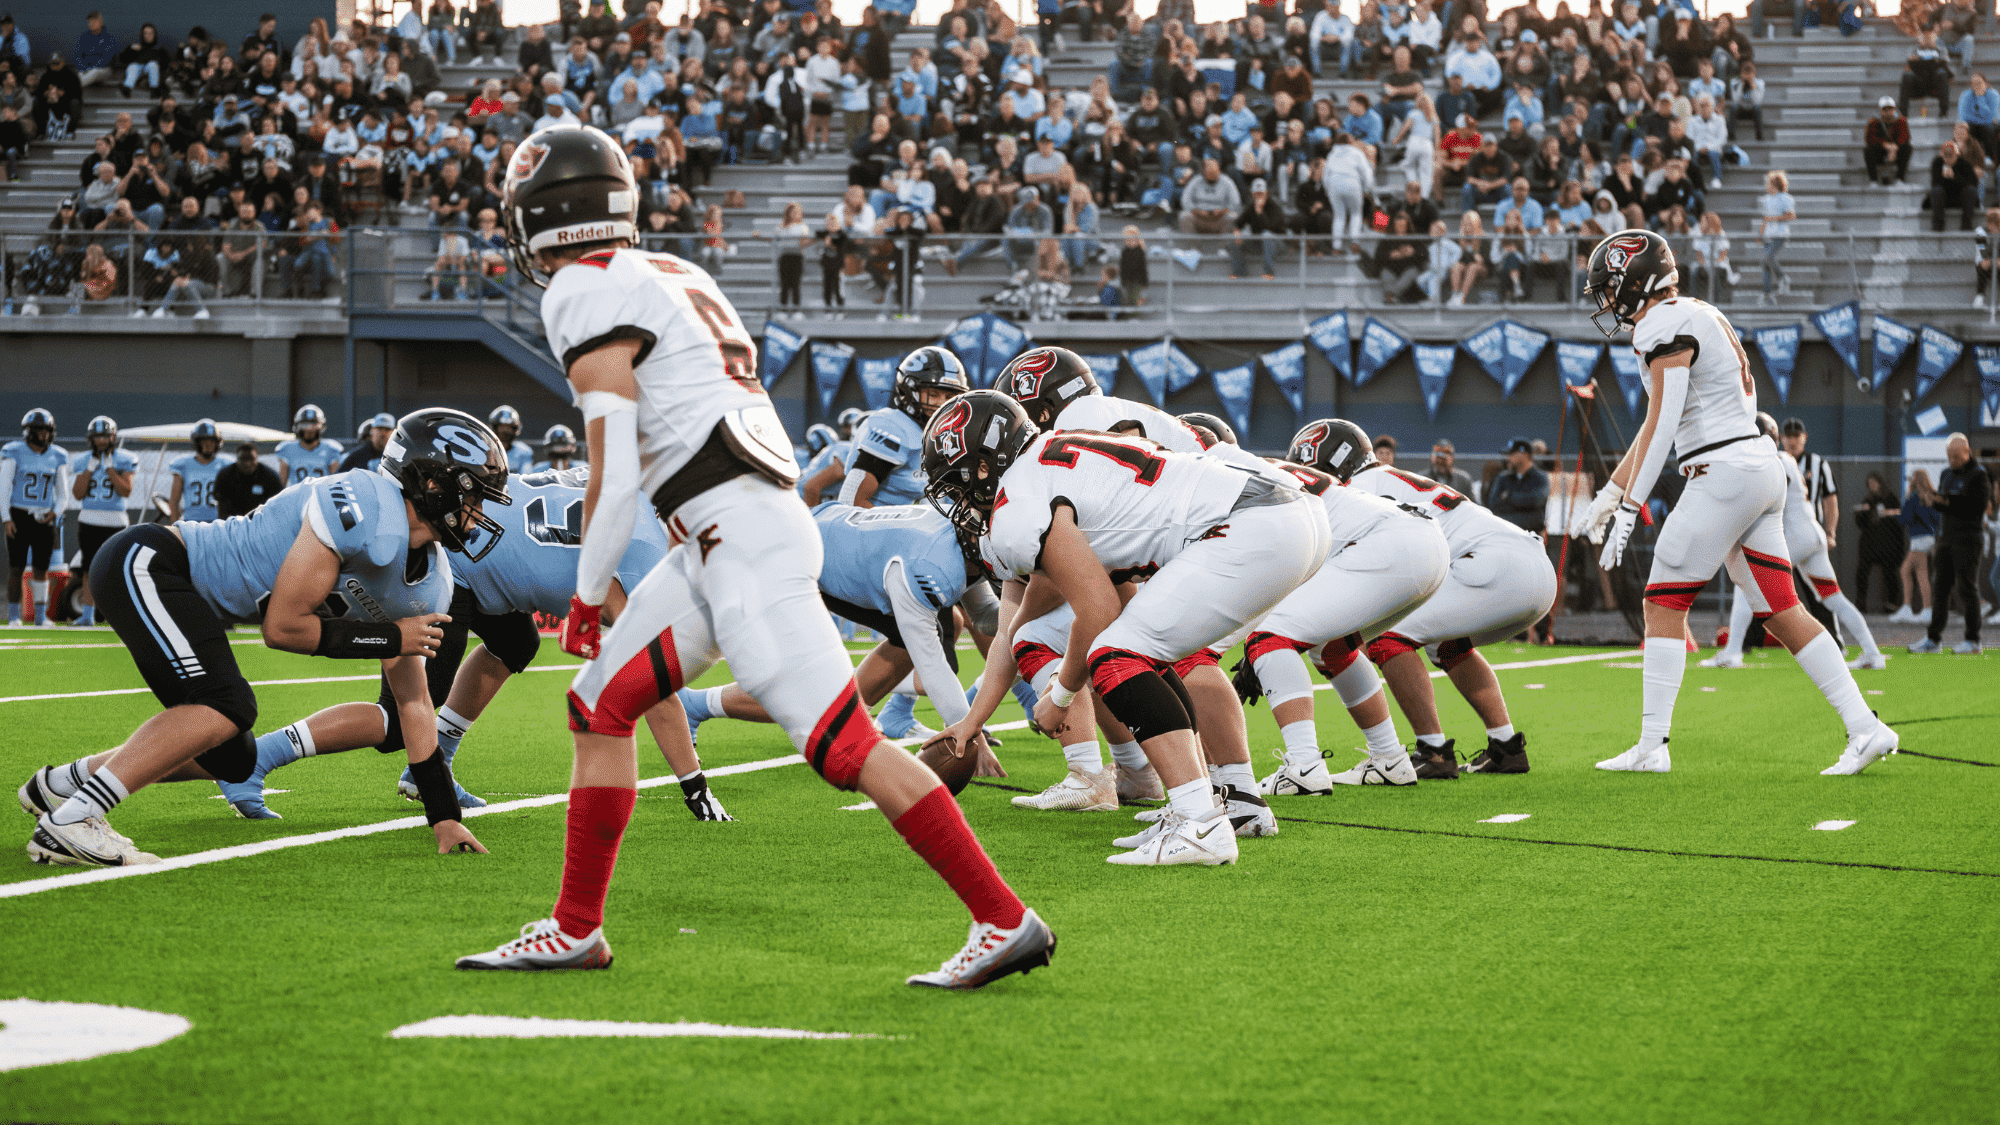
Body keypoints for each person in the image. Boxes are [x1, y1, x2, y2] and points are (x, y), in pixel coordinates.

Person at [465, 126, 1050, 989]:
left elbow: (615, 465)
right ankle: (576, 927)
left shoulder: (581, 289)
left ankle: (1003, 917)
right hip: (727, 531)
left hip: (740, 542)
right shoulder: (678, 274)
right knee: (598, 706)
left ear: (544, 216)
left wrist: (588, 593)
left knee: (845, 749)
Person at [17, 409, 508, 867]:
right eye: (474, 494)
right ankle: (74, 819)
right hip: (153, 563)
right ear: (432, 484)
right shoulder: (363, 505)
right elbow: (283, 627)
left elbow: (415, 705)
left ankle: (58, 785)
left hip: (190, 597)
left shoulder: (432, 583)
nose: (480, 510)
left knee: (234, 756)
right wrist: (388, 637)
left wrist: (444, 817)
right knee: (227, 704)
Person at [925, 390, 1329, 865]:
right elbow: (1076, 610)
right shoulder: (1052, 462)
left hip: (1250, 524)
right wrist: (973, 723)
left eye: (955, 482)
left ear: (985, 465)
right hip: (1286, 513)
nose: (956, 497)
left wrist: (1058, 696)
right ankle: (1211, 806)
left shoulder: (1018, 505)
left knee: (1115, 656)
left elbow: (1096, 613)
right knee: (1140, 648)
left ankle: (1200, 823)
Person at [216, 467, 730, 823]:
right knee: (401, 715)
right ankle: (258, 759)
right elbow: (653, 682)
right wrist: (694, 783)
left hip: (486, 558)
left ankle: (435, 762)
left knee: (517, 642)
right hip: (453, 561)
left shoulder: (632, 497)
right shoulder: (645, 546)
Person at [1574, 229, 1896, 777]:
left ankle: (1652, 745)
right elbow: (1657, 425)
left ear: (1637, 280)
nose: (1608, 300)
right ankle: (1867, 727)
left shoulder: (1662, 324)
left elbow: (1663, 421)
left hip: (1721, 474)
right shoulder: (1696, 311)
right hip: (1757, 470)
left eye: (1611, 287)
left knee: (1661, 602)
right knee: (1783, 609)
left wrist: (1631, 506)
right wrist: (1611, 493)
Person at [1273, 418, 1556, 783]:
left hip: (1490, 565)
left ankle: (1433, 751)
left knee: (1389, 636)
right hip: (1529, 564)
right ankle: (1505, 746)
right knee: (1446, 645)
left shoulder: (1356, 490)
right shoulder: (1390, 478)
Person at [680, 498, 1011, 757]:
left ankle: (849, 719)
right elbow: (933, 667)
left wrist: (1028, 617)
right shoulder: (931, 565)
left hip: (836, 543)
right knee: (810, 697)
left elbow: (983, 614)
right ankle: (696, 705)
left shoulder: (959, 541)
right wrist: (971, 733)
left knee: (916, 640)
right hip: (800, 559)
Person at [1702, 414, 1886, 671]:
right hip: (1810, 533)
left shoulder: (1773, 461)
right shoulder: (1785, 459)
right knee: (1833, 598)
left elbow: (1772, 496)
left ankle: (1732, 652)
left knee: (1745, 581)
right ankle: (1872, 653)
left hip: (1796, 536)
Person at [839, 348, 970, 509]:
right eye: (933, 394)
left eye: (949, 397)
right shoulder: (894, 427)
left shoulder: (938, 435)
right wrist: (899, 530)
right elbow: (850, 500)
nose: (941, 403)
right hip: (867, 527)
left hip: (900, 520)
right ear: (910, 392)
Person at [1910, 433, 1991, 653]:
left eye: (1956, 456)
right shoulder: (1947, 474)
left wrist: (1945, 500)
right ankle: (1933, 640)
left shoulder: (1979, 475)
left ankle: (1973, 640)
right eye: (1949, 456)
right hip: (1946, 538)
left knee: (1966, 587)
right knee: (1940, 587)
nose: (1952, 460)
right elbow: (1945, 504)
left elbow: (1974, 507)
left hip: (1969, 539)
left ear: (1967, 452)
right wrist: (1934, 500)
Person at [2, 409, 69, 627]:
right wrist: (6, 517)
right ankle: (14, 617)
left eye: (47, 431)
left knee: (42, 568)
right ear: (29, 432)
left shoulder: (58, 455)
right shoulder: (14, 451)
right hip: (19, 514)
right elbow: (3, 487)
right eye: (40, 431)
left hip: (44, 516)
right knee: (16, 566)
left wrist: (56, 511)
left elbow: (64, 492)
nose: (44, 435)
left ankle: (40, 617)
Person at [1893, 469, 1943, 623]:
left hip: (1918, 539)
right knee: (1913, 572)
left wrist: (1896, 515)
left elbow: (1905, 519)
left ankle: (1925, 609)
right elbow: (1937, 519)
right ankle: (1909, 607)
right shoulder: (1932, 497)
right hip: (1929, 538)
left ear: (1914, 481)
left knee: (1912, 572)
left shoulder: (1913, 497)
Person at [1852, 471, 1906, 614]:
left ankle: (1892, 604)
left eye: (1874, 483)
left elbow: (1898, 519)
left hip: (1887, 545)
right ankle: (1860, 603)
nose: (1872, 486)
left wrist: (1887, 514)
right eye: (1870, 484)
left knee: (1890, 573)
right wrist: (1861, 513)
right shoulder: (1868, 500)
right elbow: (1861, 524)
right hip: (1870, 545)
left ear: (1880, 483)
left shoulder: (1890, 498)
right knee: (1862, 572)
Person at [1486, 437, 1549, 531]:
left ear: (1524, 454)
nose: (1508, 458)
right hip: (1506, 533)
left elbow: (1536, 502)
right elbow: (1494, 505)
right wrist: (1524, 506)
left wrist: (1508, 496)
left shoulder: (1540, 477)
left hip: (1531, 534)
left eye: (1511, 454)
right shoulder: (1503, 477)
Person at [167, 419, 224, 523]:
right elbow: (174, 502)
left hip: (218, 522)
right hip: (191, 522)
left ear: (217, 443)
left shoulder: (225, 465)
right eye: (204, 440)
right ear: (197, 442)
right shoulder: (183, 465)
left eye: (211, 440)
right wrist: (175, 526)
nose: (208, 444)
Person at [275, 404, 344, 484]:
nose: (309, 429)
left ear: (321, 427)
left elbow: (337, 481)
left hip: (321, 495)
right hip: (296, 495)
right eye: (305, 425)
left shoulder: (331, 449)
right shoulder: (287, 448)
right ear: (297, 427)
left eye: (313, 425)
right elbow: (280, 485)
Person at [213, 441, 283, 519]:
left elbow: (277, 505)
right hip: (233, 523)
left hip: (260, 522)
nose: (247, 463)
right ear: (237, 460)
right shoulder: (225, 476)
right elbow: (221, 506)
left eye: (251, 459)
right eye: (243, 459)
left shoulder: (270, 477)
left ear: (256, 459)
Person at [1756, 169, 1794, 302]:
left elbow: (1791, 215)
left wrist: (1775, 218)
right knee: (1765, 262)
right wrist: (1760, 233)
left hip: (1780, 234)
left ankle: (1783, 278)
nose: (1766, 186)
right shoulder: (1766, 200)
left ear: (1775, 185)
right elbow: (1765, 218)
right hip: (1768, 234)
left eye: (1769, 183)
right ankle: (1767, 293)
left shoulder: (1785, 198)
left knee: (1768, 258)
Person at [1931, 141, 1980, 232]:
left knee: (1971, 191)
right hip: (1944, 199)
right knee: (1936, 191)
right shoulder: (1937, 163)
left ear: (1957, 155)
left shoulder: (1965, 164)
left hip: (1961, 199)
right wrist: (1944, 178)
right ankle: (1938, 224)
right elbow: (1934, 183)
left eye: (1951, 156)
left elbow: (1973, 183)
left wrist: (1954, 177)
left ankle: (1966, 223)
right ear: (1942, 156)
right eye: (1946, 156)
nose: (1948, 159)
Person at [487, 406, 536, 473]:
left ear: (515, 429)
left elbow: (525, 477)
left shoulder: (524, 452)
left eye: (509, 427)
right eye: (502, 427)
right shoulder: (484, 449)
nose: (506, 431)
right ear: (494, 428)